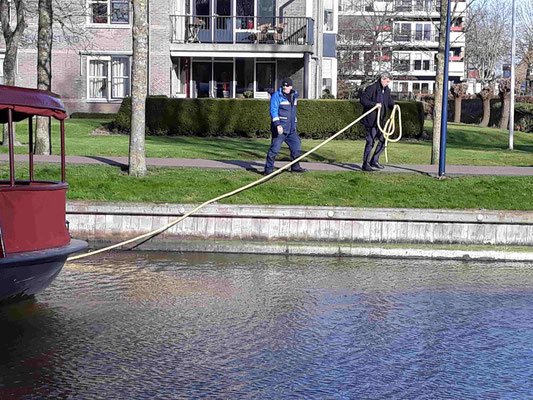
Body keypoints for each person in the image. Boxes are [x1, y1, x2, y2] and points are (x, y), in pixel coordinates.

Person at [264, 77, 306, 175]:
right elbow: (273, 111)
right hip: (280, 129)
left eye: (287, 86)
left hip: (291, 129)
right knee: (274, 150)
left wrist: (294, 123)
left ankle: (295, 167)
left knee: (296, 147)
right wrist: (278, 125)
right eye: (283, 85)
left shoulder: (294, 96)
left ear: (291, 87)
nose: (285, 87)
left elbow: (293, 112)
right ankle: (268, 170)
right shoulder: (276, 96)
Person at [359, 71, 395, 172]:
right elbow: (363, 100)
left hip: (381, 121)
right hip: (371, 121)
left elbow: (389, 101)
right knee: (370, 142)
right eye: (387, 81)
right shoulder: (371, 88)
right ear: (382, 79)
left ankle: (374, 160)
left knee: (384, 140)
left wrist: (395, 106)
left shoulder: (386, 90)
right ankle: (365, 164)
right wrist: (374, 104)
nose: (388, 83)